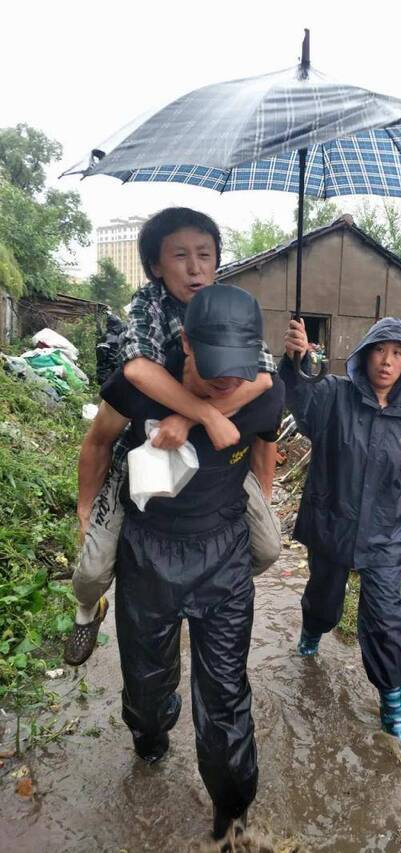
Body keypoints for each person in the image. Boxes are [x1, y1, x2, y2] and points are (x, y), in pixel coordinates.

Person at [78, 285, 284, 843]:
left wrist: (258, 498)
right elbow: (97, 443)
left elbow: (266, 442)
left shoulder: (263, 392)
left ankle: (233, 811)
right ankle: (149, 735)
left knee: (224, 693)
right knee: (146, 688)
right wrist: (84, 514)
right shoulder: (138, 385)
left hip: (223, 557)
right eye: (216, 366)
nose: (229, 382)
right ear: (186, 343)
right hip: (148, 555)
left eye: (239, 369)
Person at [64, 207, 278, 666]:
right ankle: (88, 610)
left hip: (218, 466)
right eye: (180, 255)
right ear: (157, 266)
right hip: (144, 455)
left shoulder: (228, 307)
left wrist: (190, 420)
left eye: (205, 254)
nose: (195, 266)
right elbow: (137, 370)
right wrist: (85, 508)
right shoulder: (149, 307)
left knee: (268, 548)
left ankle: (213, 594)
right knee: (93, 570)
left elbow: (264, 378)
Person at [280, 316, 401, 758]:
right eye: (381, 351)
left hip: (383, 531)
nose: (388, 361)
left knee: (386, 619)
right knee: (325, 596)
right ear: (365, 354)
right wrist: (297, 359)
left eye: (399, 353)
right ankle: (311, 636)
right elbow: (301, 400)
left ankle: (393, 714)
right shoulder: (334, 397)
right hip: (333, 519)